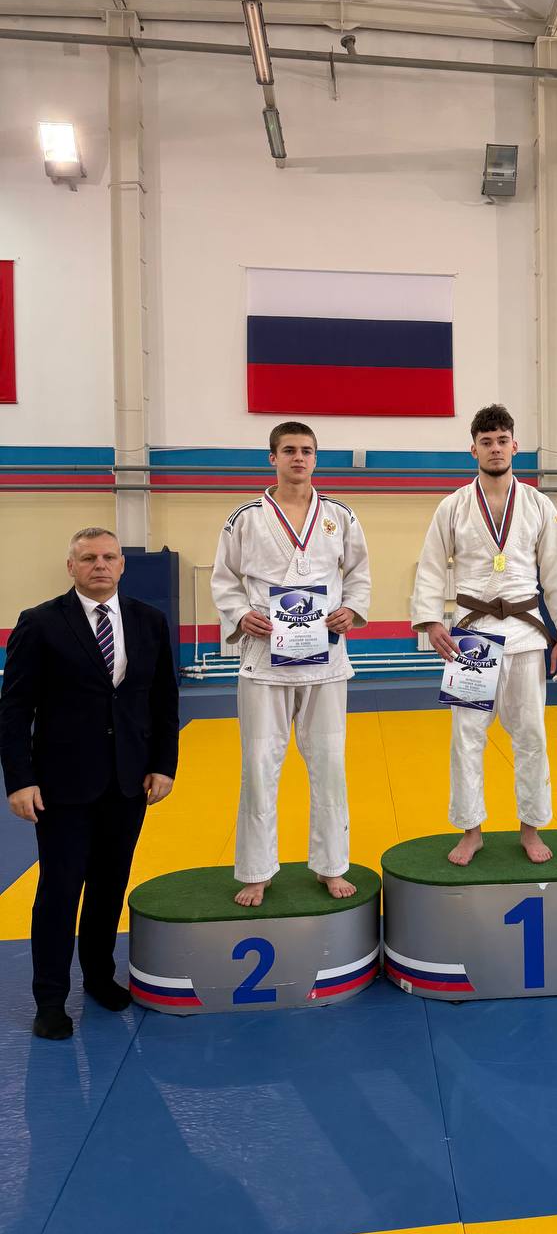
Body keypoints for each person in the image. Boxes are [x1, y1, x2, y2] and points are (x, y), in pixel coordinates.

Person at [0, 528, 179, 1041]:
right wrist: (20, 780)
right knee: (59, 891)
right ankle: (50, 999)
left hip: (128, 780)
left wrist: (164, 764)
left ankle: (99, 977)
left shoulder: (149, 621)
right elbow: (14, 708)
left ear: (122, 565)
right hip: (62, 784)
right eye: (87, 558)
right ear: (71, 567)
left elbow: (163, 700)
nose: (99, 565)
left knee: (109, 886)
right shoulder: (39, 623)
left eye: (108, 557)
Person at [411, 404, 557, 865]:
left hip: (526, 634)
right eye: (485, 442)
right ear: (473, 449)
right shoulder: (453, 506)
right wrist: (431, 620)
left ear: (514, 446)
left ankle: (531, 828)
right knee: (466, 736)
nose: (494, 449)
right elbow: (431, 566)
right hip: (471, 637)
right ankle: (471, 830)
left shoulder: (538, 505)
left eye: (501, 440)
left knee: (531, 735)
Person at [211, 421, 370, 907]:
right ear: (272, 458)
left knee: (330, 764)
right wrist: (240, 614)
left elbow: (359, 572)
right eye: (288, 450)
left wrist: (352, 610)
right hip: (266, 658)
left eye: (306, 450)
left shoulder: (339, 515)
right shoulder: (245, 518)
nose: (298, 458)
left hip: (327, 658)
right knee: (259, 766)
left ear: (315, 458)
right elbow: (224, 578)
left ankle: (331, 866)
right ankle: (256, 872)